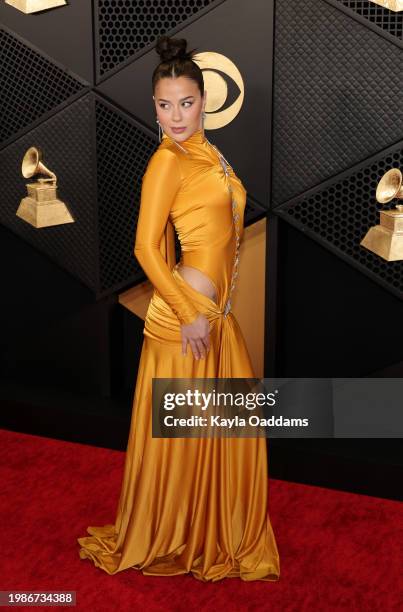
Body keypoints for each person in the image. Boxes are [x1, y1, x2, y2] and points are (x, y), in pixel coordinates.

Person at [77, 34, 280, 583]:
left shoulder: (208, 152)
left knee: (209, 434)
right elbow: (145, 247)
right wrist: (190, 312)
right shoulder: (166, 160)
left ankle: (198, 530)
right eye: (164, 105)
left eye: (185, 102)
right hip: (185, 319)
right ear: (155, 107)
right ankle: (174, 533)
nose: (175, 115)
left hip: (212, 316)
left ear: (204, 99)